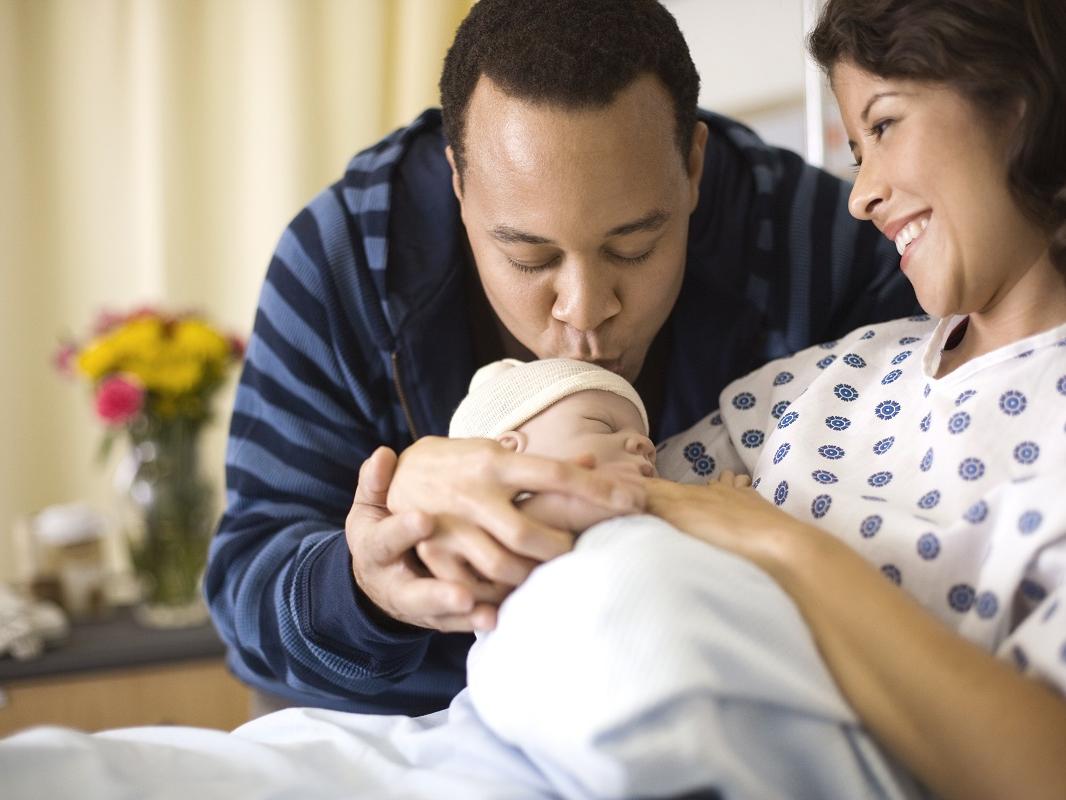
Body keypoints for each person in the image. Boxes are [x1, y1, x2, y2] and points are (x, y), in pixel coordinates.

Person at [205, 0, 916, 717]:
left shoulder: (812, 241)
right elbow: (245, 587)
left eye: (633, 248)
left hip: (714, 694)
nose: (584, 309)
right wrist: (366, 587)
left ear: (693, 166)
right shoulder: (346, 259)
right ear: (458, 182)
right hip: (400, 718)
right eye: (529, 257)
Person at [468, 1, 1065, 797]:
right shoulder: (816, 383)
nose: (861, 196)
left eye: (884, 125)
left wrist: (784, 547)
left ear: (1022, 98)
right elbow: (579, 512)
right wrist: (447, 477)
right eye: (856, 151)